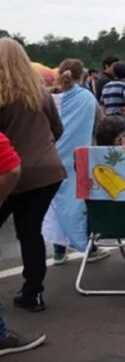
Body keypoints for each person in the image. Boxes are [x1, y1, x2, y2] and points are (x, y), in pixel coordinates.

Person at [0, 38, 67, 312]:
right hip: (47, 172)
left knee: (25, 231)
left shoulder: (2, 96)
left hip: (12, 172)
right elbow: (58, 129)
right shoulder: (40, 93)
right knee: (30, 232)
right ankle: (33, 293)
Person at [43, 59, 110, 266]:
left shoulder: (47, 97)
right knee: (78, 203)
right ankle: (88, 247)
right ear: (82, 76)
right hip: (77, 159)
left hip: (50, 157)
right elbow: (101, 124)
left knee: (55, 204)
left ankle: (59, 251)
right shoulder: (86, 98)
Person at [0, 132, 47, 356]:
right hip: (41, 171)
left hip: (29, 173)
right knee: (30, 233)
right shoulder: (40, 99)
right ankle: (33, 293)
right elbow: (10, 168)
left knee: (29, 234)